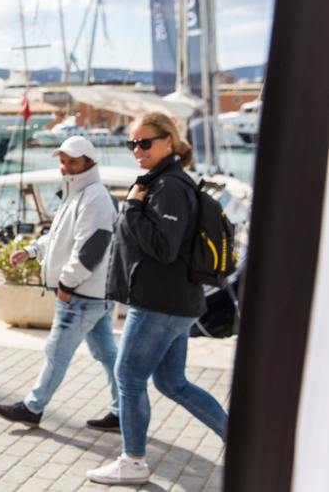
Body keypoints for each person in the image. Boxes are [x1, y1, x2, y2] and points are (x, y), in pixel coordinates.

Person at [87, 112, 228, 485]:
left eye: (144, 142)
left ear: (168, 141)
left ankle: (132, 462)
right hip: (172, 302)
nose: (137, 150)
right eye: (131, 143)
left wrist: (132, 207)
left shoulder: (169, 187)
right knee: (172, 383)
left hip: (159, 304)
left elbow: (164, 247)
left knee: (128, 377)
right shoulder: (163, 182)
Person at [0, 135, 120, 432]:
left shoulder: (94, 197)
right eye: (62, 161)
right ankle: (123, 409)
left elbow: (91, 249)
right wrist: (33, 250)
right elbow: (60, 237)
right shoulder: (77, 194)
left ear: (89, 162)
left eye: (72, 161)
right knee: (106, 354)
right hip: (93, 294)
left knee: (56, 353)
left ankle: (33, 407)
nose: (65, 167)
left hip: (81, 294)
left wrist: (66, 284)